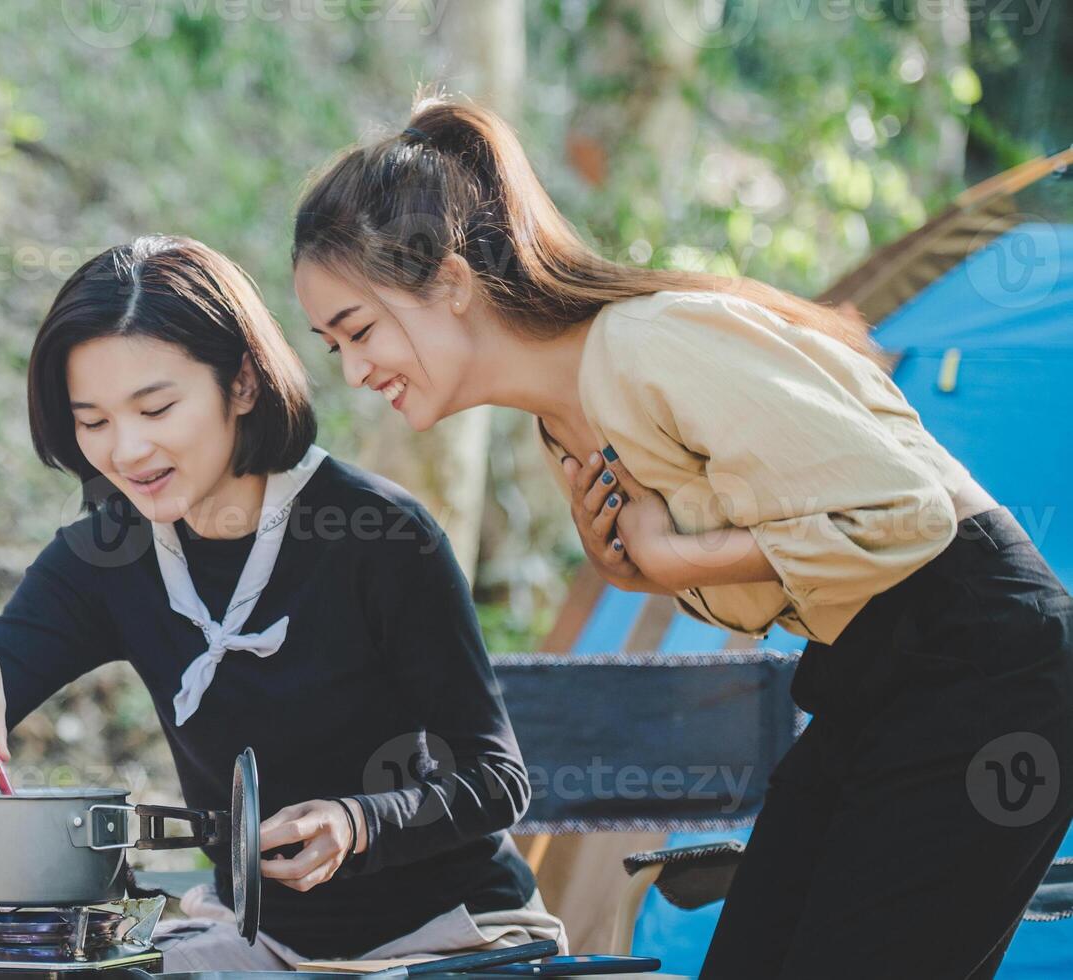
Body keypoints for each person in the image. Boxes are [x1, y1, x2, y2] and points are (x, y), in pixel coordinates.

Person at [290, 96, 1073, 978]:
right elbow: (774, 549)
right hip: (875, 671)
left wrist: (677, 559)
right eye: (332, 347)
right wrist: (633, 570)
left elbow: (911, 517)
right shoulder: (564, 418)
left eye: (358, 330)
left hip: (987, 656)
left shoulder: (649, 344)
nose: (355, 372)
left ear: (451, 280)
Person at [0, 235, 564, 971]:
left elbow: (497, 779)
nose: (128, 450)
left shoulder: (378, 536)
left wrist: (357, 821)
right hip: (254, 944)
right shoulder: (104, 558)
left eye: (157, 407)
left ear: (241, 384)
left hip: (450, 937)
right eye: (94, 421)